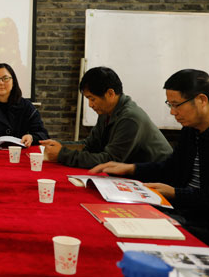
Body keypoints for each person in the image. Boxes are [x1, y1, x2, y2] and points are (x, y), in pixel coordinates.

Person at [90, 69, 209, 244]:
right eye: (170, 105)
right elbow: (171, 167)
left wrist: (174, 193)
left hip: (200, 221)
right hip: (182, 208)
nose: (173, 112)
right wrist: (131, 169)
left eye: (177, 105)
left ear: (201, 100)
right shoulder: (191, 130)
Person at [40, 67, 172, 168]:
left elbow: (109, 160)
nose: (90, 105)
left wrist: (62, 154)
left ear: (110, 93)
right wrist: (58, 145)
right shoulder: (106, 112)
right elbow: (90, 145)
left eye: (92, 99)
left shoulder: (130, 118)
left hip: (157, 179)